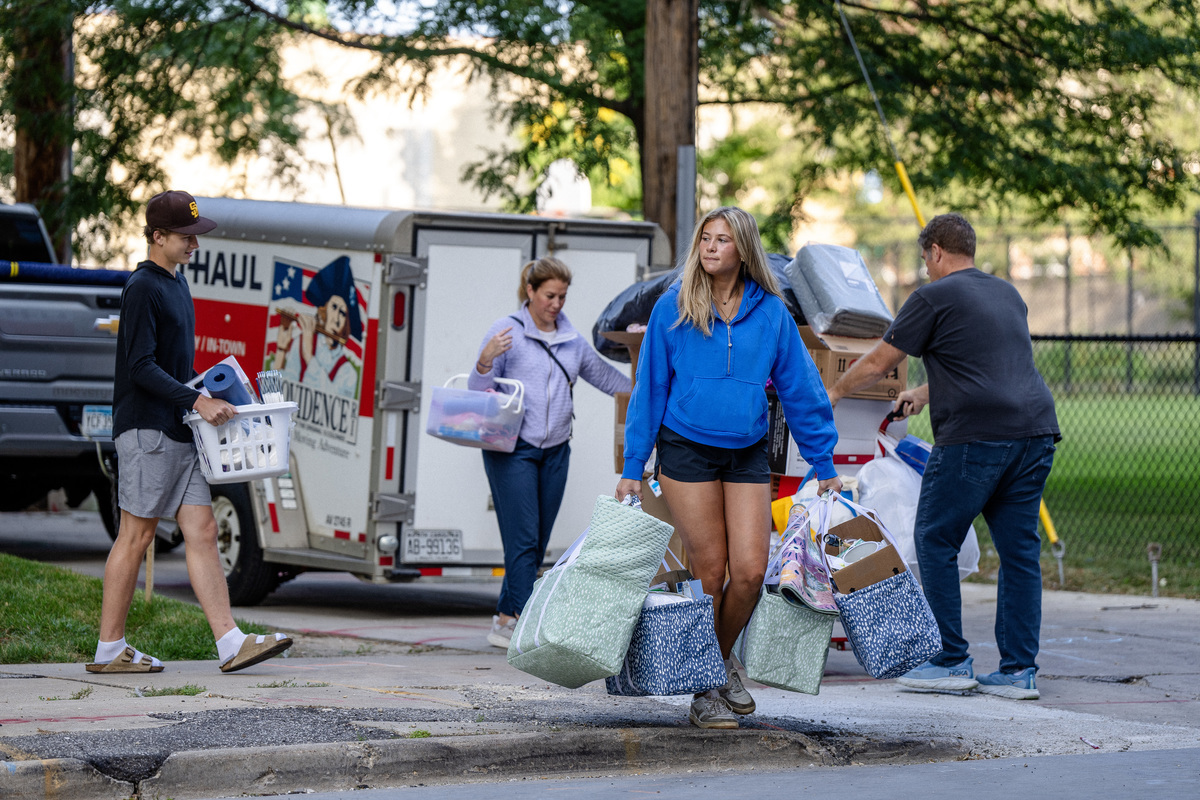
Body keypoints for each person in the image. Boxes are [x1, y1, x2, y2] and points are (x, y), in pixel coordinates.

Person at [615, 207, 841, 729]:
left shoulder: (771, 314)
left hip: (746, 451)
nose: (711, 247)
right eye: (705, 239)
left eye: (722, 240)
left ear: (743, 249)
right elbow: (649, 389)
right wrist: (634, 463)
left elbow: (801, 391)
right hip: (685, 448)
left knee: (750, 572)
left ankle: (713, 665)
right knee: (711, 571)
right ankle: (707, 688)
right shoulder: (675, 307)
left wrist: (823, 460)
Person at [828, 212, 1059, 700]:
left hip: (977, 438)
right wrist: (927, 392)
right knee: (1020, 552)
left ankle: (951, 659)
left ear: (934, 251)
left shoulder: (932, 296)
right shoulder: (1006, 294)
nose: (925, 269)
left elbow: (876, 362)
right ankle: (1019, 672)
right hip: (1035, 433)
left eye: (924, 260)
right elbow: (992, 368)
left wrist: (832, 392)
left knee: (934, 536)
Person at [89, 190, 292, 674]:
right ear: (157, 237)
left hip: (180, 429)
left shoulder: (178, 285)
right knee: (135, 536)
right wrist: (197, 399)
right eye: (186, 237)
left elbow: (173, 367)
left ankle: (230, 642)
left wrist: (216, 390)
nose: (194, 245)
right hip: (147, 431)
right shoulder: (143, 287)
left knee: (201, 530)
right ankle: (109, 649)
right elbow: (140, 367)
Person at [471, 256, 631, 649]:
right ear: (530, 291)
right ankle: (529, 627)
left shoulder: (572, 341)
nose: (556, 304)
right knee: (524, 538)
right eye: (549, 295)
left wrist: (653, 389)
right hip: (513, 449)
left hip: (557, 450)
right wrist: (485, 359)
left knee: (536, 539)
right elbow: (476, 394)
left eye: (562, 296)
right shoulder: (506, 331)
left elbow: (609, 380)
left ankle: (505, 619)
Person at [274, 256, 363, 399]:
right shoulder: (300, 342)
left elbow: (331, 403)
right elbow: (279, 396)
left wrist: (309, 356)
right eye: (334, 308)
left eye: (343, 313)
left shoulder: (348, 372)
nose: (338, 319)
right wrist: (281, 350)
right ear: (323, 312)